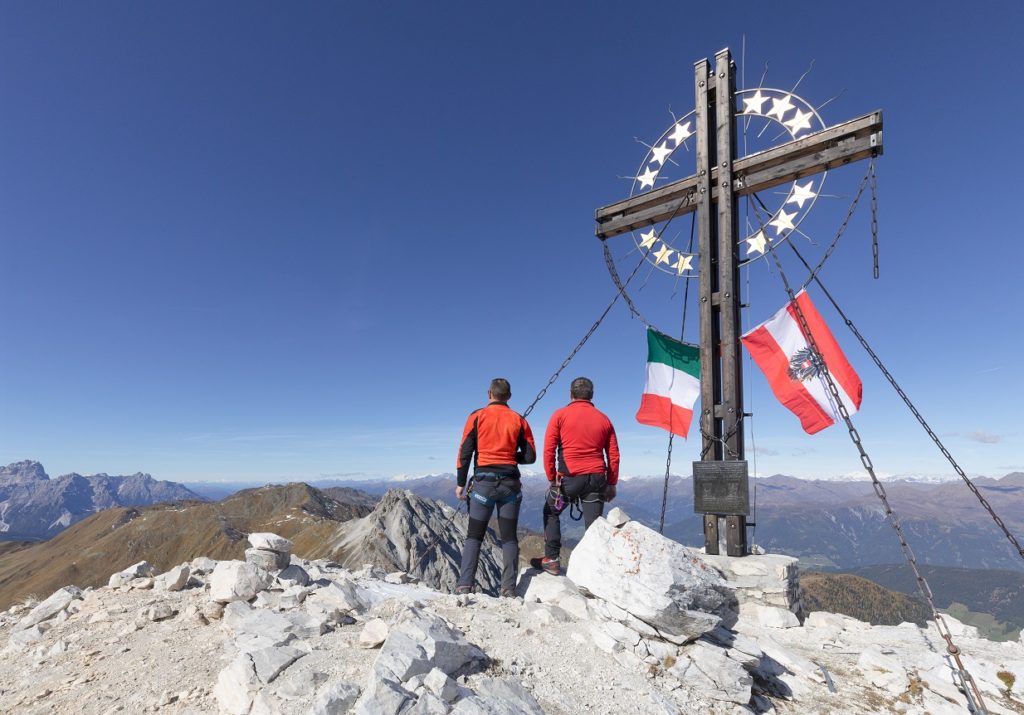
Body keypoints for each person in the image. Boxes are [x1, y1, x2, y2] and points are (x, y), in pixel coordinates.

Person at [454, 377, 536, 596]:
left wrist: (461, 484)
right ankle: (508, 589)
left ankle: (464, 585)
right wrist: (510, 456)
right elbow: (530, 457)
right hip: (510, 486)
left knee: (474, 536)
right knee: (509, 537)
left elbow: (465, 453)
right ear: (509, 396)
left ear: (488, 393)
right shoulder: (518, 420)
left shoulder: (476, 416)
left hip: (483, 485)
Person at [534, 376, 619, 576]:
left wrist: (551, 477)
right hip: (597, 479)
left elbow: (549, 449)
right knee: (594, 524)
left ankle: (552, 559)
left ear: (571, 394)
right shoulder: (604, 418)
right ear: (591, 395)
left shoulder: (560, 415)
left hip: (569, 480)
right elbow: (613, 454)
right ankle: (595, 569)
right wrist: (612, 483)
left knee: (551, 511)